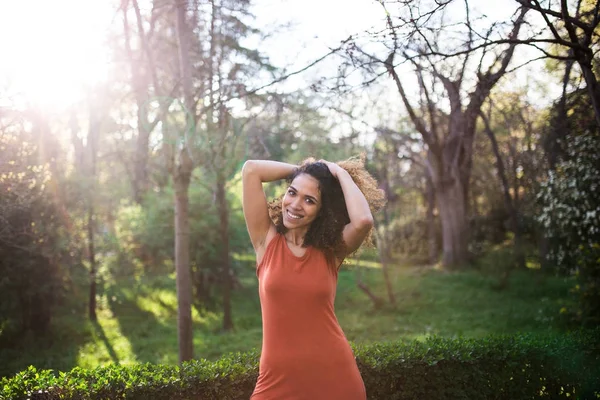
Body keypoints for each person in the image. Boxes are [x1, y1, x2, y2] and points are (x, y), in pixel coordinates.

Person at [242, 156, 385, 400]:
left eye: (309, 200)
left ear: (322, 210)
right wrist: (305, 171)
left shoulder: (332, 251)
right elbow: (251, 169)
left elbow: (363, 221)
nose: (296, 204)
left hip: (335, 380)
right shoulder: (266, 241)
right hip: (275, 384)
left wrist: (338, 172)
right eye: (292, 192)